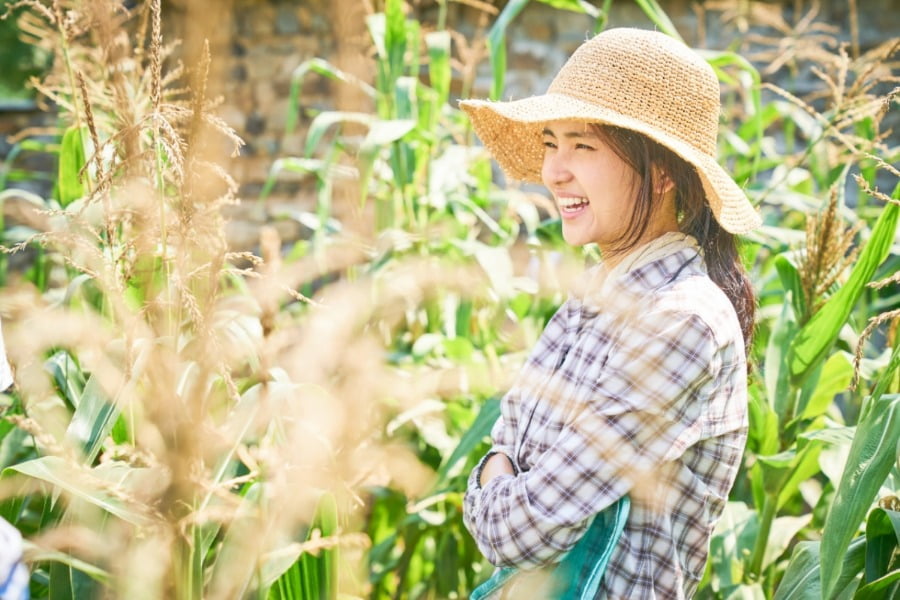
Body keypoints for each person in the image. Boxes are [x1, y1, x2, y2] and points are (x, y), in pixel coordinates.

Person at [459, 28, 760, 598]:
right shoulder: (590, 300)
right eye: (551, 143)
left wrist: (495, 482)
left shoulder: (684, 320)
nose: (554, 171)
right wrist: (506, 472)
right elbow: (507, 443)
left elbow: (519, 532)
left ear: (663, 172)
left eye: (584, 146)